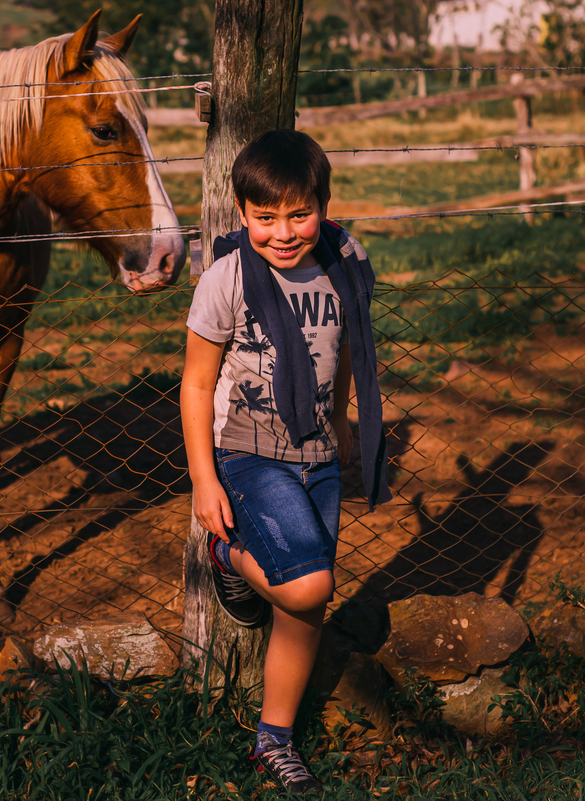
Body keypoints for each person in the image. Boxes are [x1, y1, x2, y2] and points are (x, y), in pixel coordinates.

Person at [181, 129, 392, 797]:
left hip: (318, 454)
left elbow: (353, 342)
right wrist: (203, 477)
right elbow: (193, 383)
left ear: (324, 207)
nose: (282, 231)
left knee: (304, 610)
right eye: (264, 217)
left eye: (298, 213)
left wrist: (343, 417)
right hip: (247, 453)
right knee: (309, 585)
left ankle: (273, 738)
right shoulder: (228, 278)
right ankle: (225, 556)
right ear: (242, 215)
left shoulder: (344, 259)